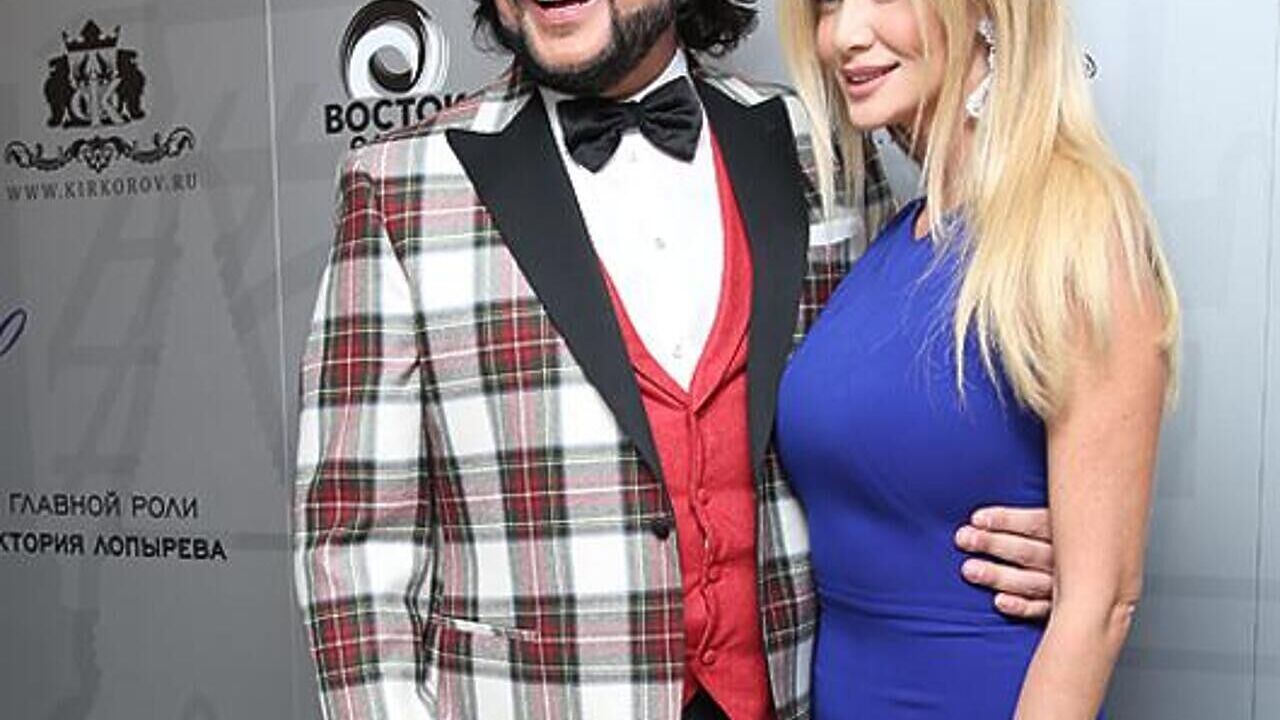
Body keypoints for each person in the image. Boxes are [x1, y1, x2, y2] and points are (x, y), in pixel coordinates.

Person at [293, 1, 1059, 718]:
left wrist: (1058, 543)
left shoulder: (817, 143)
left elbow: (903, 409)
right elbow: (353, 544)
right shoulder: (401, 183)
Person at [775, 0, 1181, 717]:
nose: (844, 35)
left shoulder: (1077, 225)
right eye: (828, 5)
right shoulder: (893, 241)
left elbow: (1100, 606)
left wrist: (1079, 559)